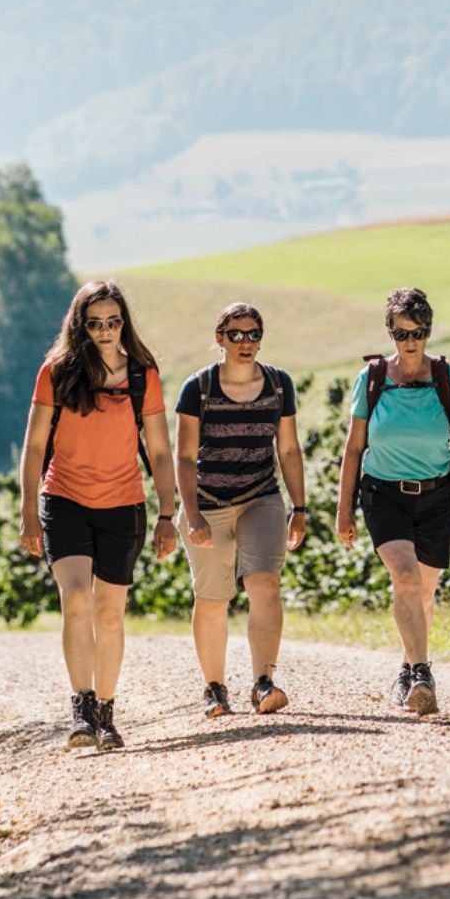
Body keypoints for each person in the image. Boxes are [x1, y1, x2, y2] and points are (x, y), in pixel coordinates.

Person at [18, 278, 178, 752]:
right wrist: (28, 511)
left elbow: (160, 451)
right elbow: (34, 446)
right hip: (64, 500)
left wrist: (167, 513)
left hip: (123, 505)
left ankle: (106, 712)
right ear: (79, 325)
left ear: (124, 323)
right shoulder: (56, 372)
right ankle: (81, 706)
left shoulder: (141, 376)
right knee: (75, 599)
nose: (105, 331)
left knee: (110, 613)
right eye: (95, 324)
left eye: (113, 322)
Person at [336, 286, 450, 716]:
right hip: (383, 494)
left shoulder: (447, 378)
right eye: (402, 333)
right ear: (390, 333)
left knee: (424, 591)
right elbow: (353, 448)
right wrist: (344, 509)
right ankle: (422, 673)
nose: (410, 341)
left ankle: (407, 667)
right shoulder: (372, 379)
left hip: (437, 495)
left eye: (418, 332)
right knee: (405, 577)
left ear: (428, 332)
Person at [174, 301, 309, 717]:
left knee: (265, 581)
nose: (245, 342)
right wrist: (192, 515)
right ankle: (214, 688)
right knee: (213, 597)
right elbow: (184, 458)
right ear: (220, 339)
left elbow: (288, 449)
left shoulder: (279, 385)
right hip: (208, 503)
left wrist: (300, 507)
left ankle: (263, 682)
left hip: (260, 497)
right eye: (235, 334)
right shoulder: (198, 388)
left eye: (253, 334)